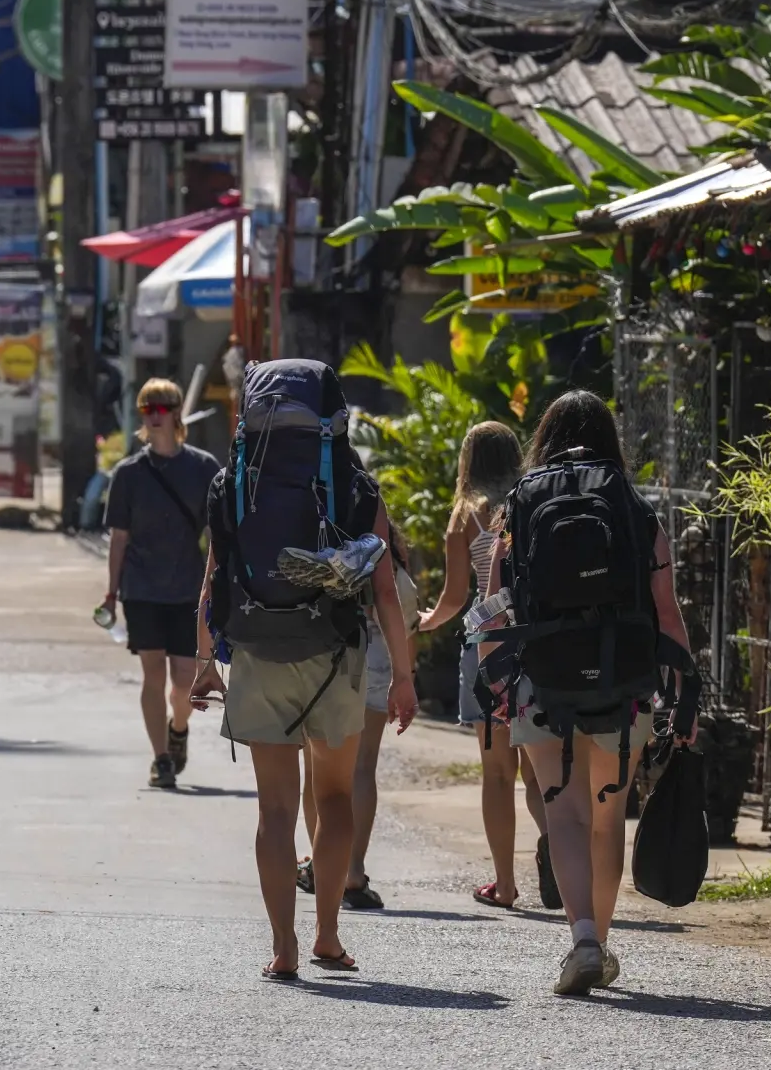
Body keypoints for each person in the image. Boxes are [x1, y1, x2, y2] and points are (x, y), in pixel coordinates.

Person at [189, 358, 417, 981]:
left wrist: (206, 661)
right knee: (336, 796)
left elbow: (213, 580)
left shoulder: (231, 482)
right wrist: (402, 674)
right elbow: (386, 592)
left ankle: (282, 946)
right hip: (335, 653)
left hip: (258, 652)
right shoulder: (357, 485)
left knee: (274, 810)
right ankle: (328, 935)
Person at [480, 390, 694, 996]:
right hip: (624, 681)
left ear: (543, 437)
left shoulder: (518, 508)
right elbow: (667, 613)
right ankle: (599, 939)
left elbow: (495, 610)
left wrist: (495, 682)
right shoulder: (633, 508)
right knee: (606, 818)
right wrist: (683, 692)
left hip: (542, 680)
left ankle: (583, 940)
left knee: (563, 814)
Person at [415, 421, 554, 910]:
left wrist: (424, 623)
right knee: (540, 770)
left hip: (489, 646)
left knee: (498, 775)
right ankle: (562, 850)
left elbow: (457, 598)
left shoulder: (467, 516)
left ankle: (505, 884)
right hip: (538, 647)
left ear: (468, 461)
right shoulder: (529, 499)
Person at [102, 378, 222, 789]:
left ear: (175, 415)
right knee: (152, 675)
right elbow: (118, 539)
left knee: (185, 682)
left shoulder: (204, 468)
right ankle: (161, 760)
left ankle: (179, 728)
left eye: (160, 408)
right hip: (142, 589)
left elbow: (220, 532)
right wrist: (111, 592)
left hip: (188, 589)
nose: (152, 416)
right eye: (146, 410)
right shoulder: (128, 474)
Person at [297, 519, 417, 910]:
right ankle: (353, 870)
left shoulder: (320, 544)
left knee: (318, 770)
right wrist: (406, 676)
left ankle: (320, 860)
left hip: (331, 659)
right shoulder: (388, 561)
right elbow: (407, 619)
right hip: (381, 665)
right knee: (362, 769)